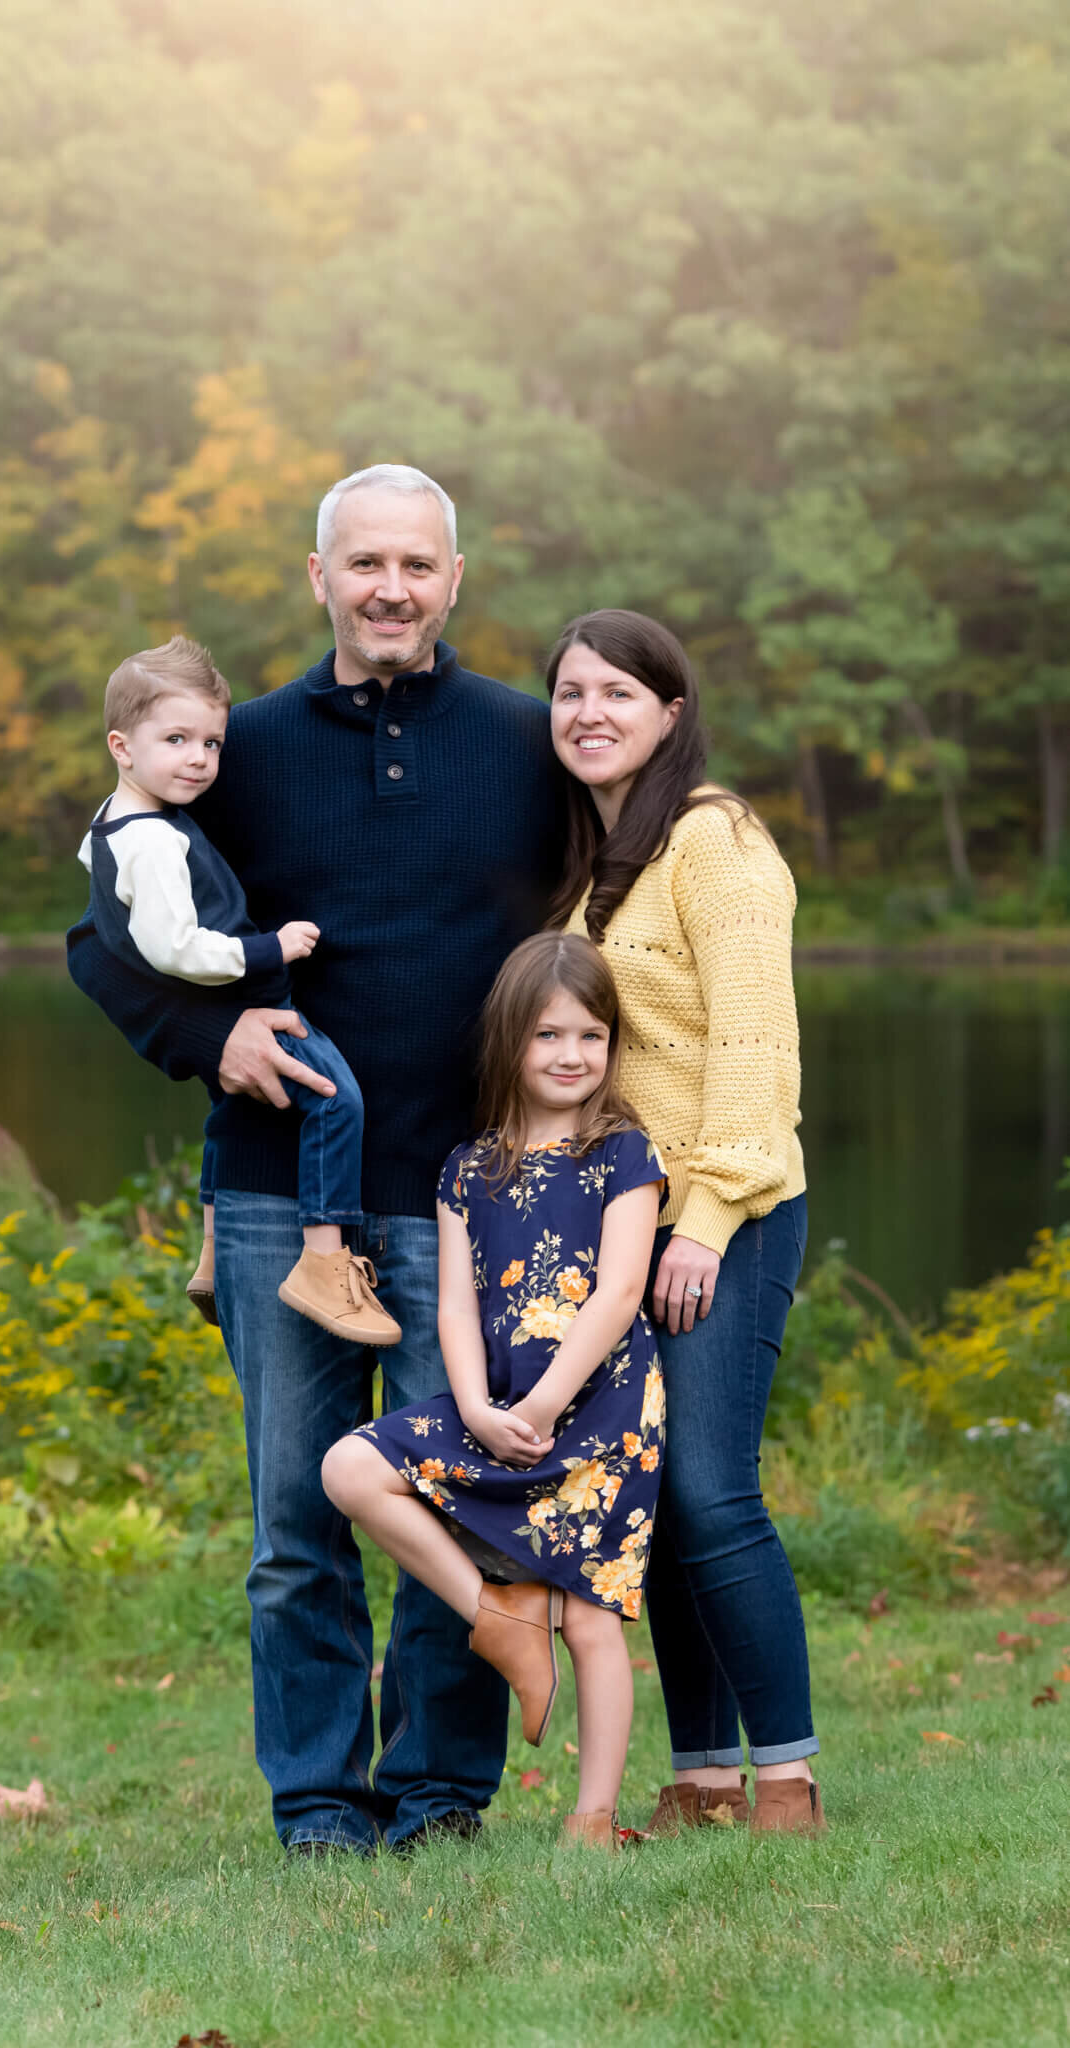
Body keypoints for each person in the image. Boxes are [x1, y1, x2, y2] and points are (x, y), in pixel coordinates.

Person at [67, 464, 568, 1854]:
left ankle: (438, 1798)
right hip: (287, 1201)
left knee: (456, 1514)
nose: (391, 588)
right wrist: (202, 1035)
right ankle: (317, 1809)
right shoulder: (237, 752)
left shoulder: (528, 745)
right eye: (365, 565)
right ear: (318, 577)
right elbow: (98, 938)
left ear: (453, 581)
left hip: (478, 1201)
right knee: (297, 1529)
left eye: (416, 565)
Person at [546, 608, 823, 1833]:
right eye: (568, 692)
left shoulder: (717, 843)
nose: (588, 712)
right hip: (624, 1221)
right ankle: (702, 1775)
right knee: (653, 1500)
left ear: (669, 712)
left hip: (730, 1209)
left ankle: (788, 1780)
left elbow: (758, 1052)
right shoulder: (592, 860)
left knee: (713, 1490)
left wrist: (703, 1220)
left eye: (617, 692)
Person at [322, 932, 668, 1850]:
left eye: (590, 1037)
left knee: (594, 1618)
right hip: (497, 1406)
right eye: (549, 1035)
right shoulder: (467, 1170)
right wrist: (472, 1406)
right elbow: (452, 1306)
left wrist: (549, 1402)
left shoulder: (623, 1152)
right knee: (350, 1468)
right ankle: (497, 1614)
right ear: (510, 1041)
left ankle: (593, 1817)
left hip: (598, 1414)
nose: (570, 1056)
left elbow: (621, 1291)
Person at [78, 633, 399, 1348]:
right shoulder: (156, 841)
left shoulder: (115, 823)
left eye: (212, 744)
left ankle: (210, 1246)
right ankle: (322, 1260)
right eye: (177, 740)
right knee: (333, 1099)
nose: (198, 759)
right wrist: (269, 946)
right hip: (248, 1004)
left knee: (228, 1113)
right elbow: (173, 947)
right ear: (122, 746)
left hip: (228, 1010)